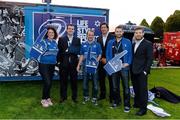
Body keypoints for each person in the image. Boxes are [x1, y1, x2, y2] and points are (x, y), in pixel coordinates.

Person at [106, 25, 132, 112]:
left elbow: (130, 54)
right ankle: (116, 102)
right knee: (114, 86)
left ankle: (127, 104)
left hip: (124, 67)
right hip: (114, 67)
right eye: (117, 31)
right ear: (115, 32)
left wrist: (127, 63)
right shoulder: (110, 42)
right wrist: (110, 63)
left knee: (126, 87)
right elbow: (108, 54)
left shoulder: (127, 41)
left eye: (120, 31)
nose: (118, 33)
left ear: (123, 32)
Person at [131, 27, 153, 116]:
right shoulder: (133, 44)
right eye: (136, 33)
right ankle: (137, 103)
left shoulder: (148, 44)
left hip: (142, 71)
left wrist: (145, 71)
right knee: (136, 88)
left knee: (143, 90)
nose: (138, 34)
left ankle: (143, 109)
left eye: (140, 33)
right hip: (133, 70)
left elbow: (150, 59)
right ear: (134, 34)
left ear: (143, 34)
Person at [76, 29, 102, 106]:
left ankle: (94, 97)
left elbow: (100, 54)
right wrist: (78, 65)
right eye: (89, 35)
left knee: (95, 83)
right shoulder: (83, 44)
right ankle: (86, 96)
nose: (90, 36)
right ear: (87, 35)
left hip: (94, 67)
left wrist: (96, 62)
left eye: (92, 35)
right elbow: (81, 56)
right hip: (85, 67)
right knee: (84, 83)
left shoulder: (97, 44)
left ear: (93, 36)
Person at [57, 24, 81, 103]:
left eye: (72, 29)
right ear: (67, 30)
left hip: (74, 63)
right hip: (64, 63)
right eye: (69, 29)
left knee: (74, 81)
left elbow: (78, 51)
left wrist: (71, 50)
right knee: (63, 81)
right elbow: (60, 51)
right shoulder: (61, 39)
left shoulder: (77, 39)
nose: (71, 30)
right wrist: (59, 62)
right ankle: (63, 97)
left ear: (74, 30)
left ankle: (74, 97)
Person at [38, 27, 58, 107]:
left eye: (52, 33)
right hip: (44, 65)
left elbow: (55, 53)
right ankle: (43, 99)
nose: (51, 34)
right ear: (47, 34)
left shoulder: (55, 43)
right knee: (47, 82)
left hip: (52, 65)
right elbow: (39, 52)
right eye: (49, 32)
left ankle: (48, 98)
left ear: (54, 34)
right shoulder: (43, 42)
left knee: (50, 82)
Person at [97, 23, 114, 101]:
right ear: (100, 29)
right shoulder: (99, 38)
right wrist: (101, 59)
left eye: (104, 27)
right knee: (101, 79)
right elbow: (98, 50)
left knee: (111, 79)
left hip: (110, 61)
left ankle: (112, 96)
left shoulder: (113, 37)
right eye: (102, 27)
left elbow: (114, 50)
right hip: (101, 61)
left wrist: (107, 59)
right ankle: (102, 95)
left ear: (108, 29)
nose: (103, 29)